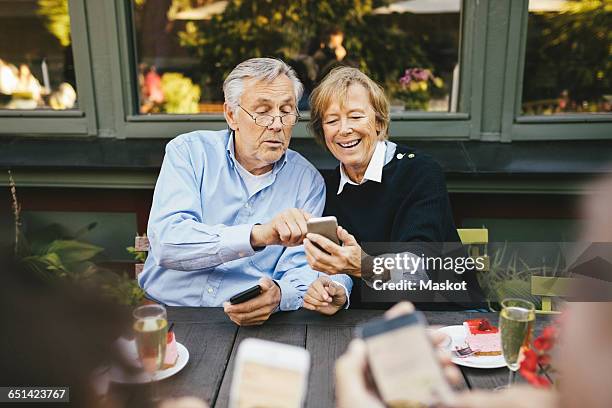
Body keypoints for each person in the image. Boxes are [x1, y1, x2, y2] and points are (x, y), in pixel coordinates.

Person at [138, 58, 352, 326]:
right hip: (168, 312)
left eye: (286, 111)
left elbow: (303, 266)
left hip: (249, 321)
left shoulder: (306, 180)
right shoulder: (190, 152)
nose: (277, 124)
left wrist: (279, 295)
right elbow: (167, 242)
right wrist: (258, 235)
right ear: (231, 115)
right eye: (262, 111)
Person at [301, 66, 482, 313]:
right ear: (323, 132)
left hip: (448, 315)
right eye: (332, 120)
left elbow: (418, 272)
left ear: (378, 121)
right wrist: (336, 292)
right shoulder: (328, 186)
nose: (344, 129)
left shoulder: (420, 172)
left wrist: (363, 264)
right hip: (369, 321)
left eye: (355, 116)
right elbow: (339, 268)